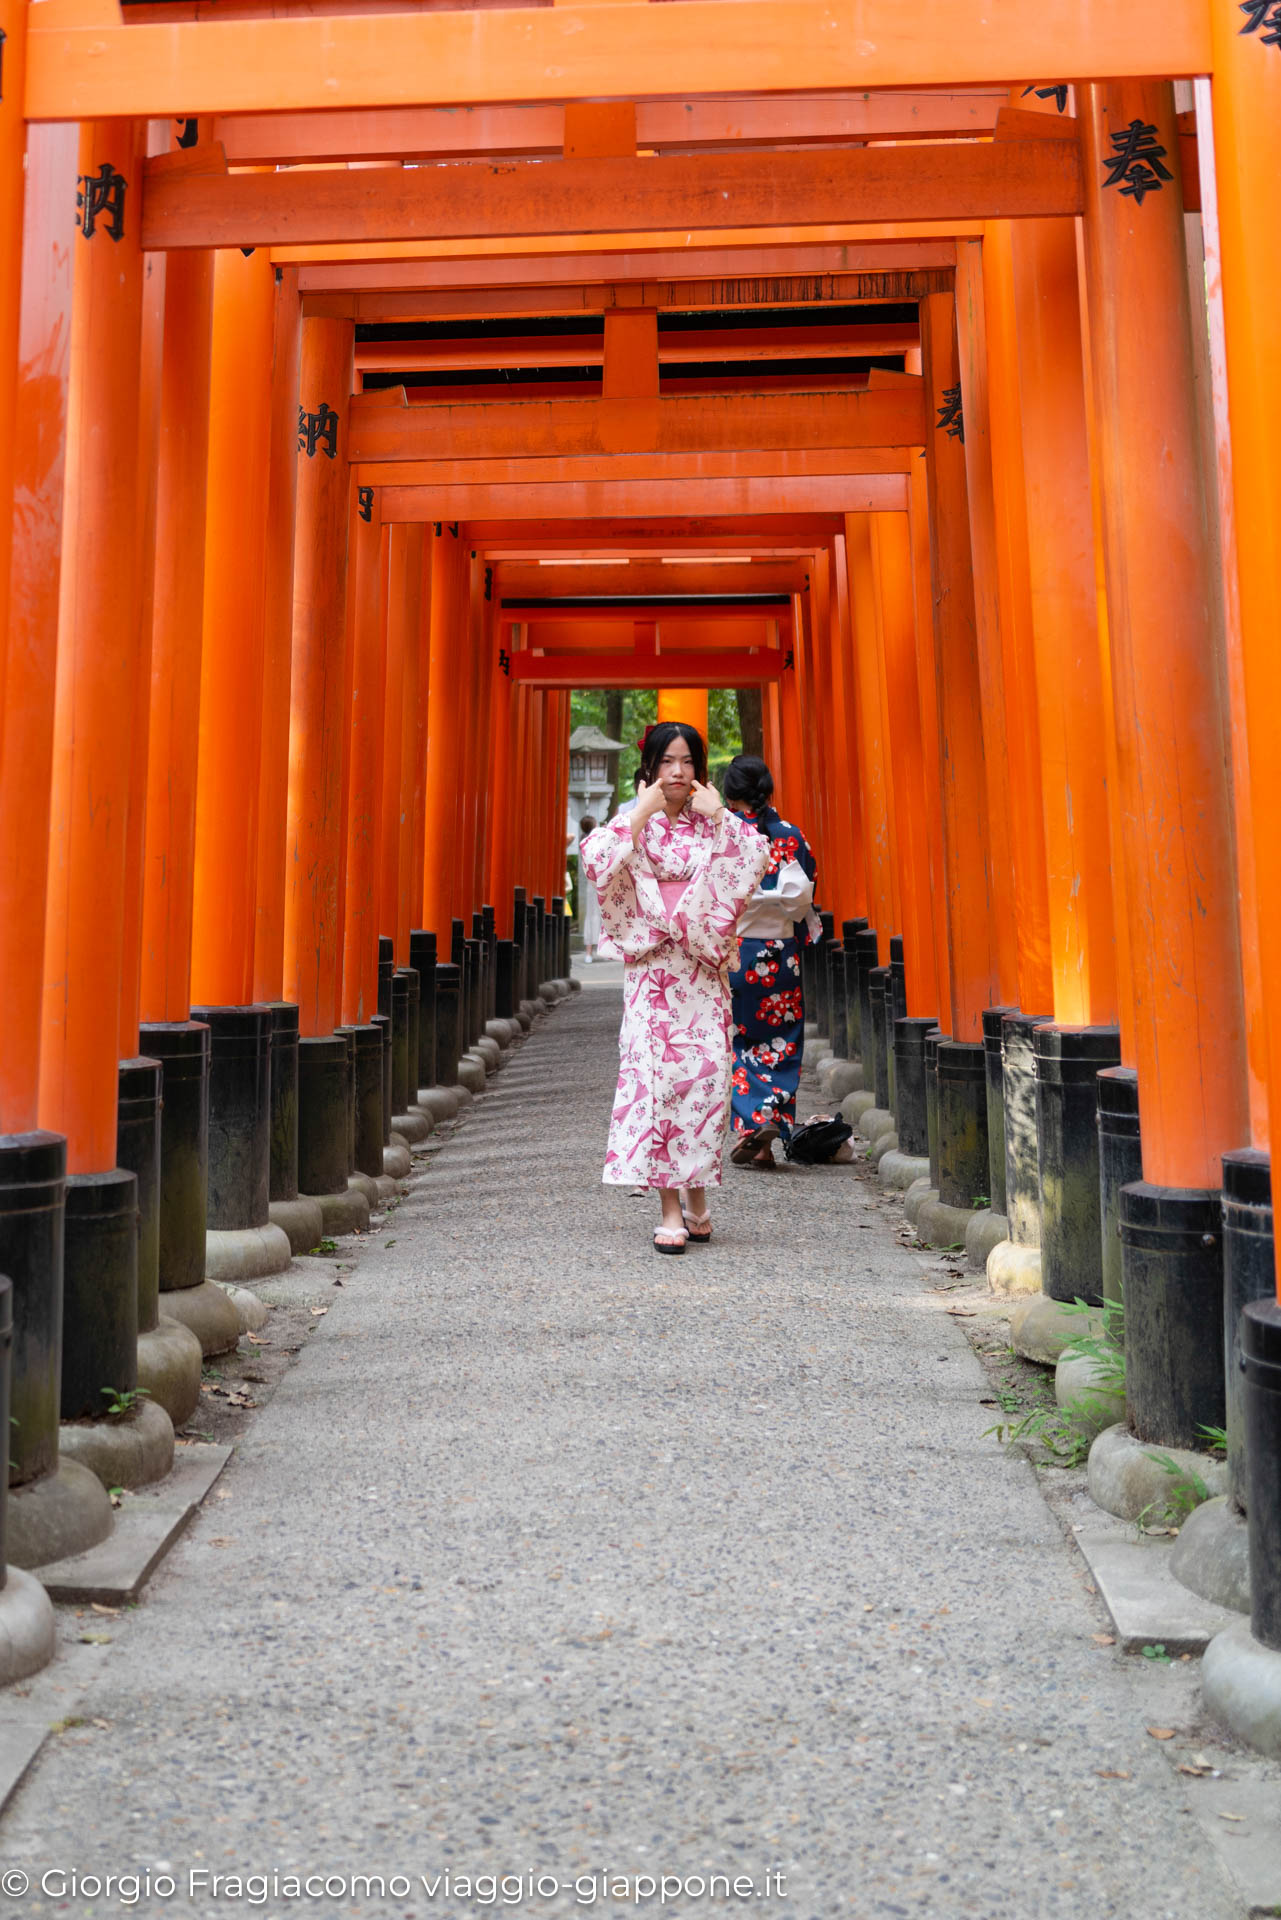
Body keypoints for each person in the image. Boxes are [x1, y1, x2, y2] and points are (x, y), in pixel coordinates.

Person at [580, 722, 770, 1254]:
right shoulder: (633, 819)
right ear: (651, 767)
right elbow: (595, 860)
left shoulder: (713, 820)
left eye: (687, 762)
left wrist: (720, 816)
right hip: (653, 970)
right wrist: (638, 815)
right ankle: (669, 1208)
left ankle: (698, 1195)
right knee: (659, 1082)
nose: (678, 772)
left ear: (700, 770)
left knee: (705, 1080)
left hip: (701, 969)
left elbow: (755, 859)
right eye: (668, 761)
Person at [722, 754, 820, 1169]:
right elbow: (810, 888)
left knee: (742, 1040)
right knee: (782, 1041)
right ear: (768, 792)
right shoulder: (792, 837)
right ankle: (771, 1122)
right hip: (782, 954)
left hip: (738, 952)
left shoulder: (724, 836)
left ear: (729, 796)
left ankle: (752, 1127)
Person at [577, 814, 602, 961]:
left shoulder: (583, 841)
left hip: (591, 881)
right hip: (599, 880)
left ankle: (589, 952)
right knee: (598, 914)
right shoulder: (595, 841)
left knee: (591, 914)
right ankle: (594, 950)